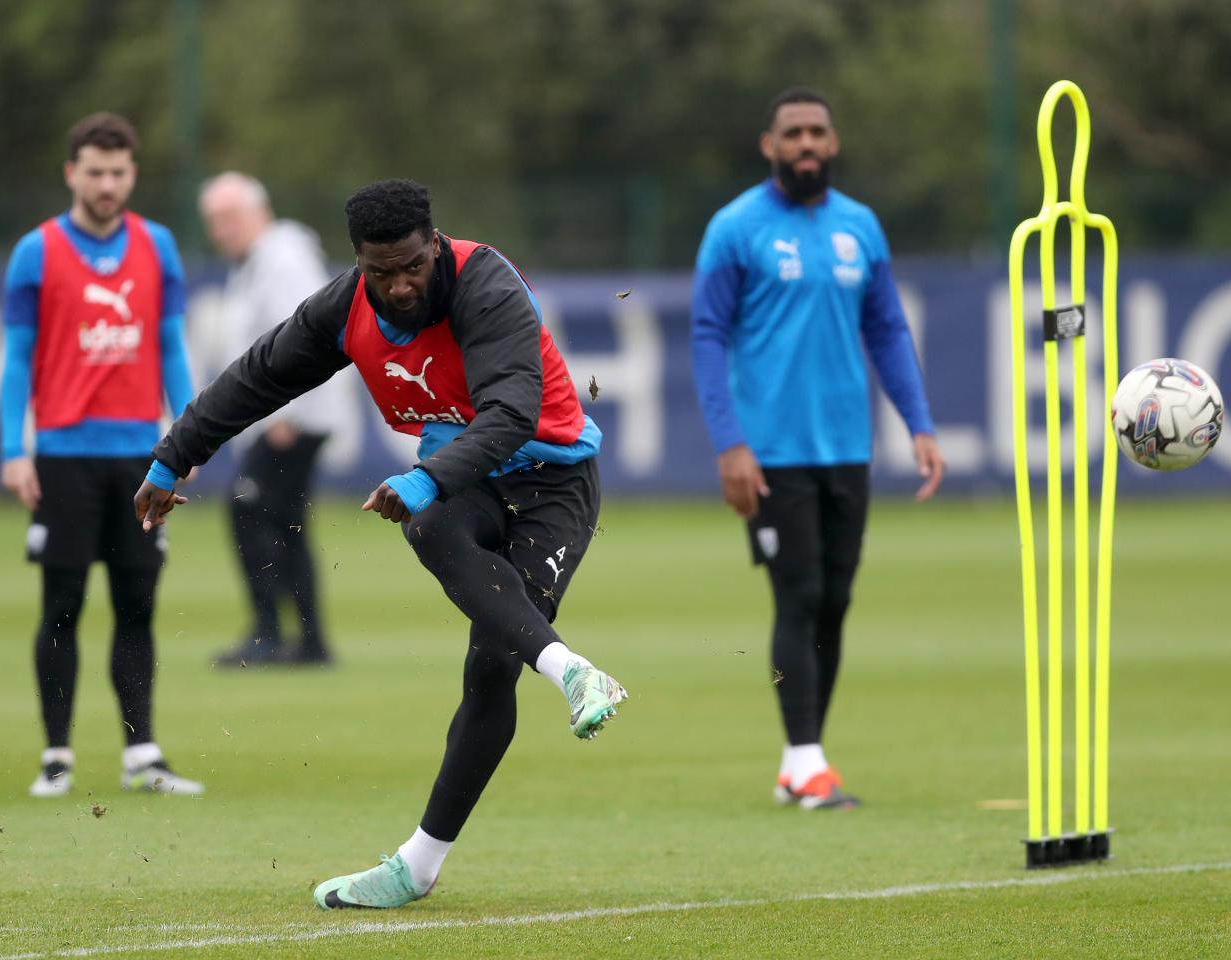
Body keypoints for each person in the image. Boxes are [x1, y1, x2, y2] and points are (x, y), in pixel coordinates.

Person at [134, 178, 627, 908]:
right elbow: (258, 377)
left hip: (552, 484)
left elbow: (514, 412)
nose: (398, 287)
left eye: (411, 267)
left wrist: (426, 478)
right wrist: (172, 456)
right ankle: (571, 672)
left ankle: (418, 865)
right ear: (360, 263)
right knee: (429, 530)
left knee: (491, 664)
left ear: (434, 245)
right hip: (465, 481)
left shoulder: (486, 284)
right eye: (380, 272)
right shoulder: (347, 306)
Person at [690, 87, 944, 810]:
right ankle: (806, 761)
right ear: (768, 145)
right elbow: (707, 336)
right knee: (798, 595)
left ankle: (800, 760)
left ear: (833, 143)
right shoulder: (735, 228)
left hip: (845, 447)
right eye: (792, 133)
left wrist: (918, 423)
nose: (806, 143)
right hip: (770, 451)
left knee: (834, 599)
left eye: (817, 132)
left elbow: (889, 330)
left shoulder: (860, 227)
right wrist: (729, 442)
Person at [0, 112, 204, 798]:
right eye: (95, 171)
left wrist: (189, 433)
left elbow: (171, 345)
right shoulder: (37, 251)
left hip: (141, 458)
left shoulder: (158, 246)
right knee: (62, 602)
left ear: (132, 174)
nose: (107, 184)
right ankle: (56, 755)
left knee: (137, 602)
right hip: (62, 454)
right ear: (71, 173)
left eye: (118, 172)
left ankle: (141, 755)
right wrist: (12, 448)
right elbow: (18, 360)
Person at [198, 172, 342, 666]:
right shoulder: (260, 261)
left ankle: (269, 632)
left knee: (249, 508)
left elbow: (303, 337)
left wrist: (287, 414)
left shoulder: (283, 260)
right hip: (286, 415)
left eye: (228, 217)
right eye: (213, 221)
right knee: (284, 522)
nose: (220, 230)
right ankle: (309, 640)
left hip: (290, 418)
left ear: (259, 212)